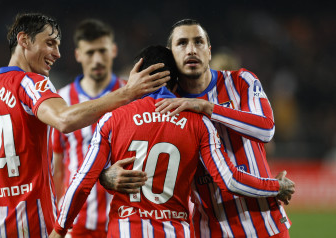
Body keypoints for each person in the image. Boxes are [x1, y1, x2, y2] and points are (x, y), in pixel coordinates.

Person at [49, 45, 294, 238]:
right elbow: (228, 180)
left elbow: (81, 182)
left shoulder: (112, 120)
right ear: (176, 81)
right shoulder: (199, 123)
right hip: (174, 228)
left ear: (136, 75)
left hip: (126, 227)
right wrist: (275, 186)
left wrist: (59, 230)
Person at [0, 12, 169, 238]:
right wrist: (127, 93)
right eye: (50, 43)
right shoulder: (30, 83)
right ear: (24, 40)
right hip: (27, 220)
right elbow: (64, 119)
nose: (57, 53)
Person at [51, 19, 125, 238]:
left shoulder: (131, 96)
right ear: (78, 55)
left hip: (122, 216)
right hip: (78, 221)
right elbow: (57, 166)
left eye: (102, 51)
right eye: (90, 52)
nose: (97, 59)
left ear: (113, 50)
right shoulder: (61, 101)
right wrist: (58, 213)